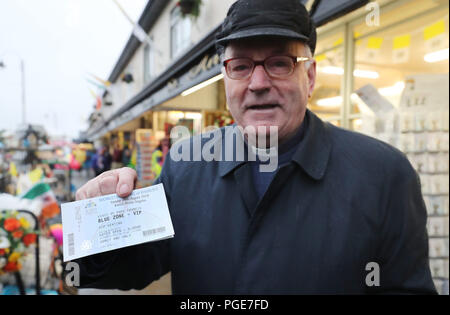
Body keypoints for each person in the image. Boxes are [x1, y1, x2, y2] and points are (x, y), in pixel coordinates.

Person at [73, 0, 436, 294]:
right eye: (241, 66)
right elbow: (130, 271)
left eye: (280, 63)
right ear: (226, 79)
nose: (258, 83)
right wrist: (100, 221)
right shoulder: (184, 165)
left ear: (309, 77)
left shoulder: (384, 174)